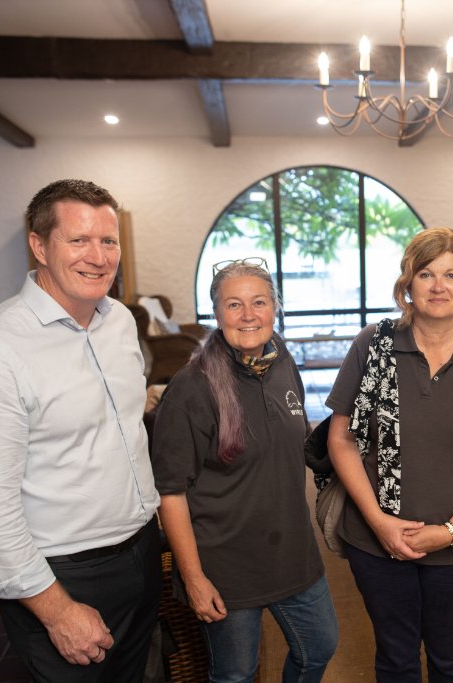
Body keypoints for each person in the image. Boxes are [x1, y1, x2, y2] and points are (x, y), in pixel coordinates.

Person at [0, 179, 162, 682]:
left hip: (141, 551)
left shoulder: (119, 321)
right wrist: (58, 610)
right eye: (78, 240)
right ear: (39, 246)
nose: (99, 256)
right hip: (64, 574)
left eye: (108, 240)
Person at [326, 227, 453, 683]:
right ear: (407, 285)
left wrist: (451, 531)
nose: (438, 286)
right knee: (396, 660)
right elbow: (341, 439)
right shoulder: (373, 346)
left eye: (451, 274)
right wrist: (379, 522)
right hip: (377, 542)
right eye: (425, 274)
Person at [150, 258, 338, 683]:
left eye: (259, 302)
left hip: (292, 553)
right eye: (234, 305)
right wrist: (194, 578)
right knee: (236, 673)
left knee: (320, 646)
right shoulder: (192, 388)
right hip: (226, 566)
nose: (249, 315)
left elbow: (291, 444)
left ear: (276, 307)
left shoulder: (284, 362)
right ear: (216, 313)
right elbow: (171, 492)